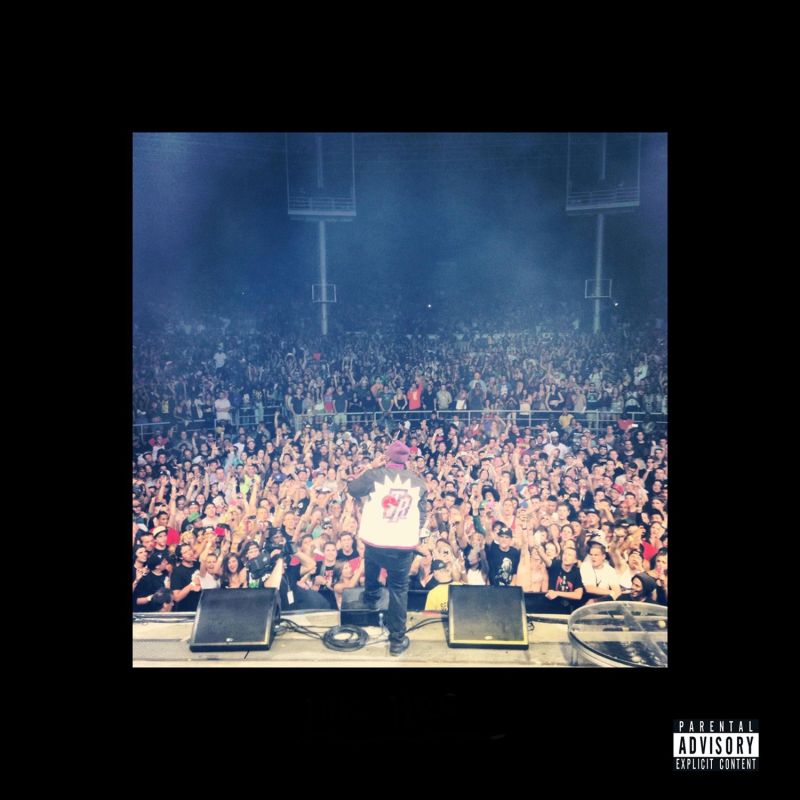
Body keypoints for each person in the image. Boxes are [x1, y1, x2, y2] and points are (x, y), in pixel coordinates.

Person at [347, 440, 427, 656]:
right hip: (402, 546)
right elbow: (422, 516)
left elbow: (352, 488)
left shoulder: (375, 475)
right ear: (406, 460)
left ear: (387, 457)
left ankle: (372, 595)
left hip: (376, 540)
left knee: (371, 563)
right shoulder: (419, 483)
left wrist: (370, 467)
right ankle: (397, 641)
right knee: (399, 590)